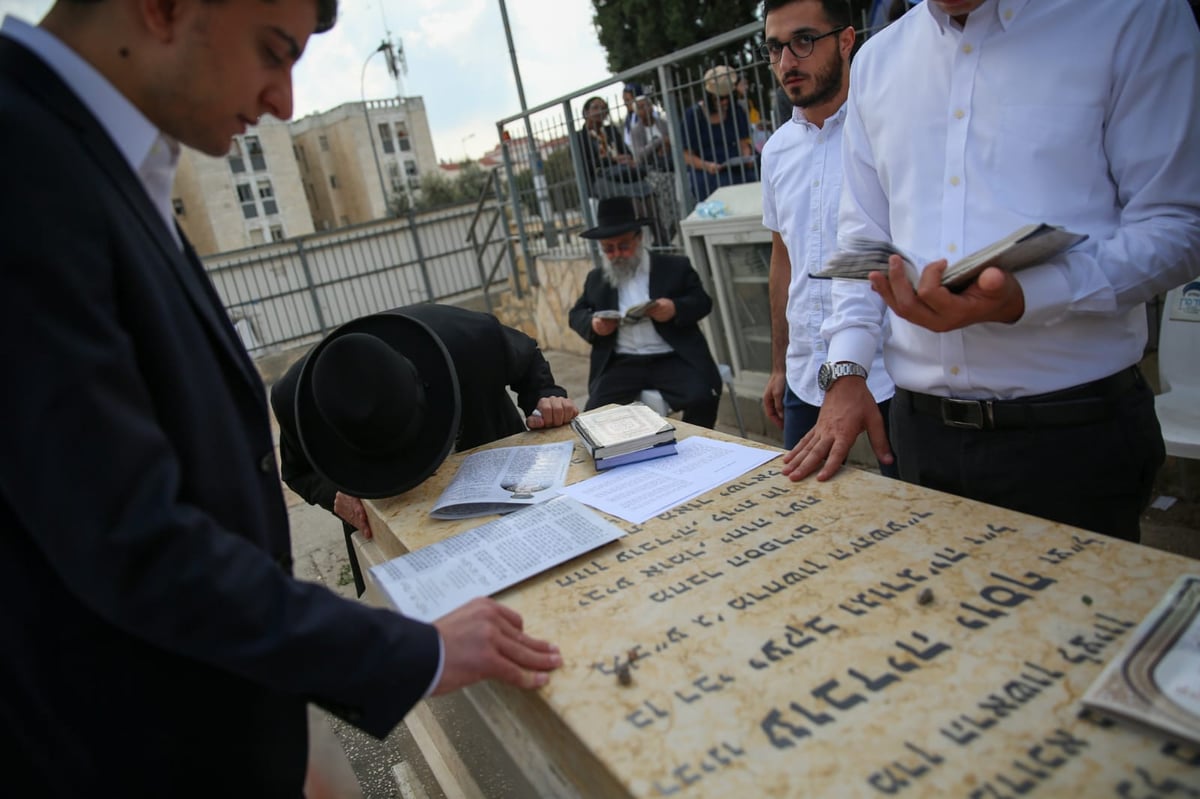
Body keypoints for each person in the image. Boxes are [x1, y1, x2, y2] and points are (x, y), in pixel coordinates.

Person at [0, 1, 561, 794]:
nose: (284, 103)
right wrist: (412, 649)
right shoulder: (24, 167)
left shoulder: (98, 158)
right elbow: (131, 540)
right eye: (273, 51)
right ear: (163, 7)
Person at [783, 0, 1200, 542]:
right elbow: (863, 238)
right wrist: (846, 371)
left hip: (1074, 434)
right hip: (921, 435)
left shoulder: (1132, 15)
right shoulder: (879, 61)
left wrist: (1035, 294)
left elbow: (1178, 221)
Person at [272, 304, 579, 596]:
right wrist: (333, 494)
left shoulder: (471, 339)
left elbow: (529, 362)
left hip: (498, 485)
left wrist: (545, 396)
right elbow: (298, 471)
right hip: (393, 517)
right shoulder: (295, 401)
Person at [759, 0, 896, 476]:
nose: (787, 63)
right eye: (776, 48)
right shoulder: (776, 152)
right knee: (804, 519)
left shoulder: (886, 127)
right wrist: (779, 365)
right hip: (804, 375)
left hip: (889, 376)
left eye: (803, 41)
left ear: (845, 39)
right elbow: (784, 261)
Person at [569, 197, 723, 428]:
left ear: (639, 238)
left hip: (672, 356)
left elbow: (702, 302)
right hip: (623, 362)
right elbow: (576, 313)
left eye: (623, 246)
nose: (617, 254)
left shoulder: (674, 267)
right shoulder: (597, 278)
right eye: (608, 249)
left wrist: (674, 308)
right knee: (594, 418)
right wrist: (593, 324)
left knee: (702, 397)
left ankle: (693, 451)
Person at [681, 64, 757, 203]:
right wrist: (707, 166)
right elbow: (687, 155)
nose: (725, 102)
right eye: (720, 99)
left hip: (737, 169)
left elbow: (743, 143)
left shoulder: (737, 110)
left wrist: (747, 157)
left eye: (728, 97)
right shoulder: (693, 115)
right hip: (706, 172)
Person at [627, 93, 678, 247]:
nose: (646, 109)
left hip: (671, 169)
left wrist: (661, 147)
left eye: (648, 105)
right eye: (641, 107)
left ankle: (667, 239)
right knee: (659, 210)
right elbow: (640, 155)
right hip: (652, 172)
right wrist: (659, 142)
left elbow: (673, 144)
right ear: (636, 111)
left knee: (675, 208)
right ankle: (663, 241)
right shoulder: (636, 131)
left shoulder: (662, 123)